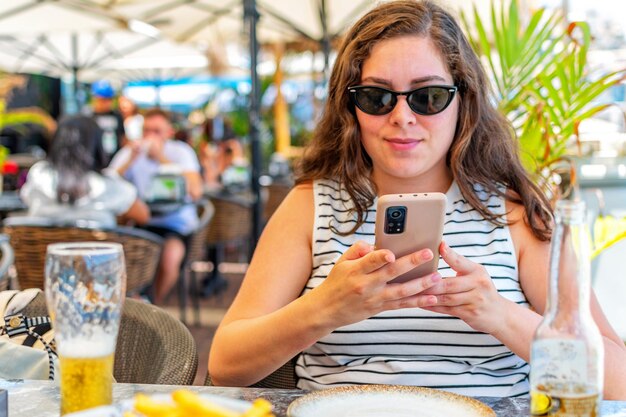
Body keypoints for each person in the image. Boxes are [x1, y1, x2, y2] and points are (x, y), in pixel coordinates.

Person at [208, 0, 626, 399]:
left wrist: (500, 315)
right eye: (377, 97)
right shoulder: (311, 205)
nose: (402, 117)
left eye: (428, 97)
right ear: (350, 107)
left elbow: (617, 381)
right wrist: (326, 307)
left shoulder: (514, 211)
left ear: (464, 100)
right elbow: (226, 365)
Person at [109, 108, 203, 304]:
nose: (150, 136)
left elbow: (195, 191)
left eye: (156, 131)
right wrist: (129, 161)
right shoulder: (131, 152)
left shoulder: (180, 152)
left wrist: (161, 158)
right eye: (147, 130)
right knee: (115, 256)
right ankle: (132, 304)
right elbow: (108, 184)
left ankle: (154, 307)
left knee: (170, 257)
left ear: (169, 132)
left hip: (175, 225)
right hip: (141, 223)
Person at [20, 115, 149, 228]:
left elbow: (26, 198)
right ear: (97, 146)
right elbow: (143, 216)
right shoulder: (107, 186)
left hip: (42, 254)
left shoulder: (39, 175)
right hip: (97, 253)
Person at [90, 80, 125, 162]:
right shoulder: (89, 116)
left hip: (114, 158)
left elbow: (122, 137)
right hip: (95, 159)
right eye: (101, 99)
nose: (104, 103)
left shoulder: (117, 116)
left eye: (107, 99)